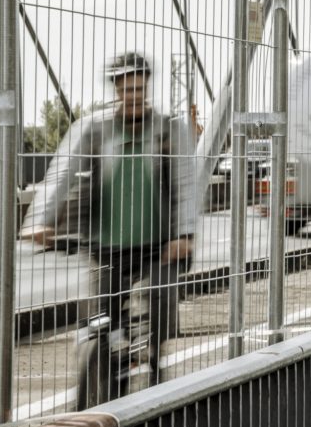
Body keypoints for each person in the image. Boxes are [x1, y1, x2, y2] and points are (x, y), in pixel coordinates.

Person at [21, 52, 197, 408]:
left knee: (160, 303)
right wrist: (40, 220)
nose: (132, 94)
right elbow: (62, 173)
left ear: (147, 86)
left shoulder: (168, 129)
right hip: (106, 245)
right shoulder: (94, 129)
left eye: (138, 87)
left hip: (159, 246)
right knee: (100, 324)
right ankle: (96, 396)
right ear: (116, 89)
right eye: (125, 88)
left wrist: (185, 234)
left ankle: (152, 358)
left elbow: (187, 183)